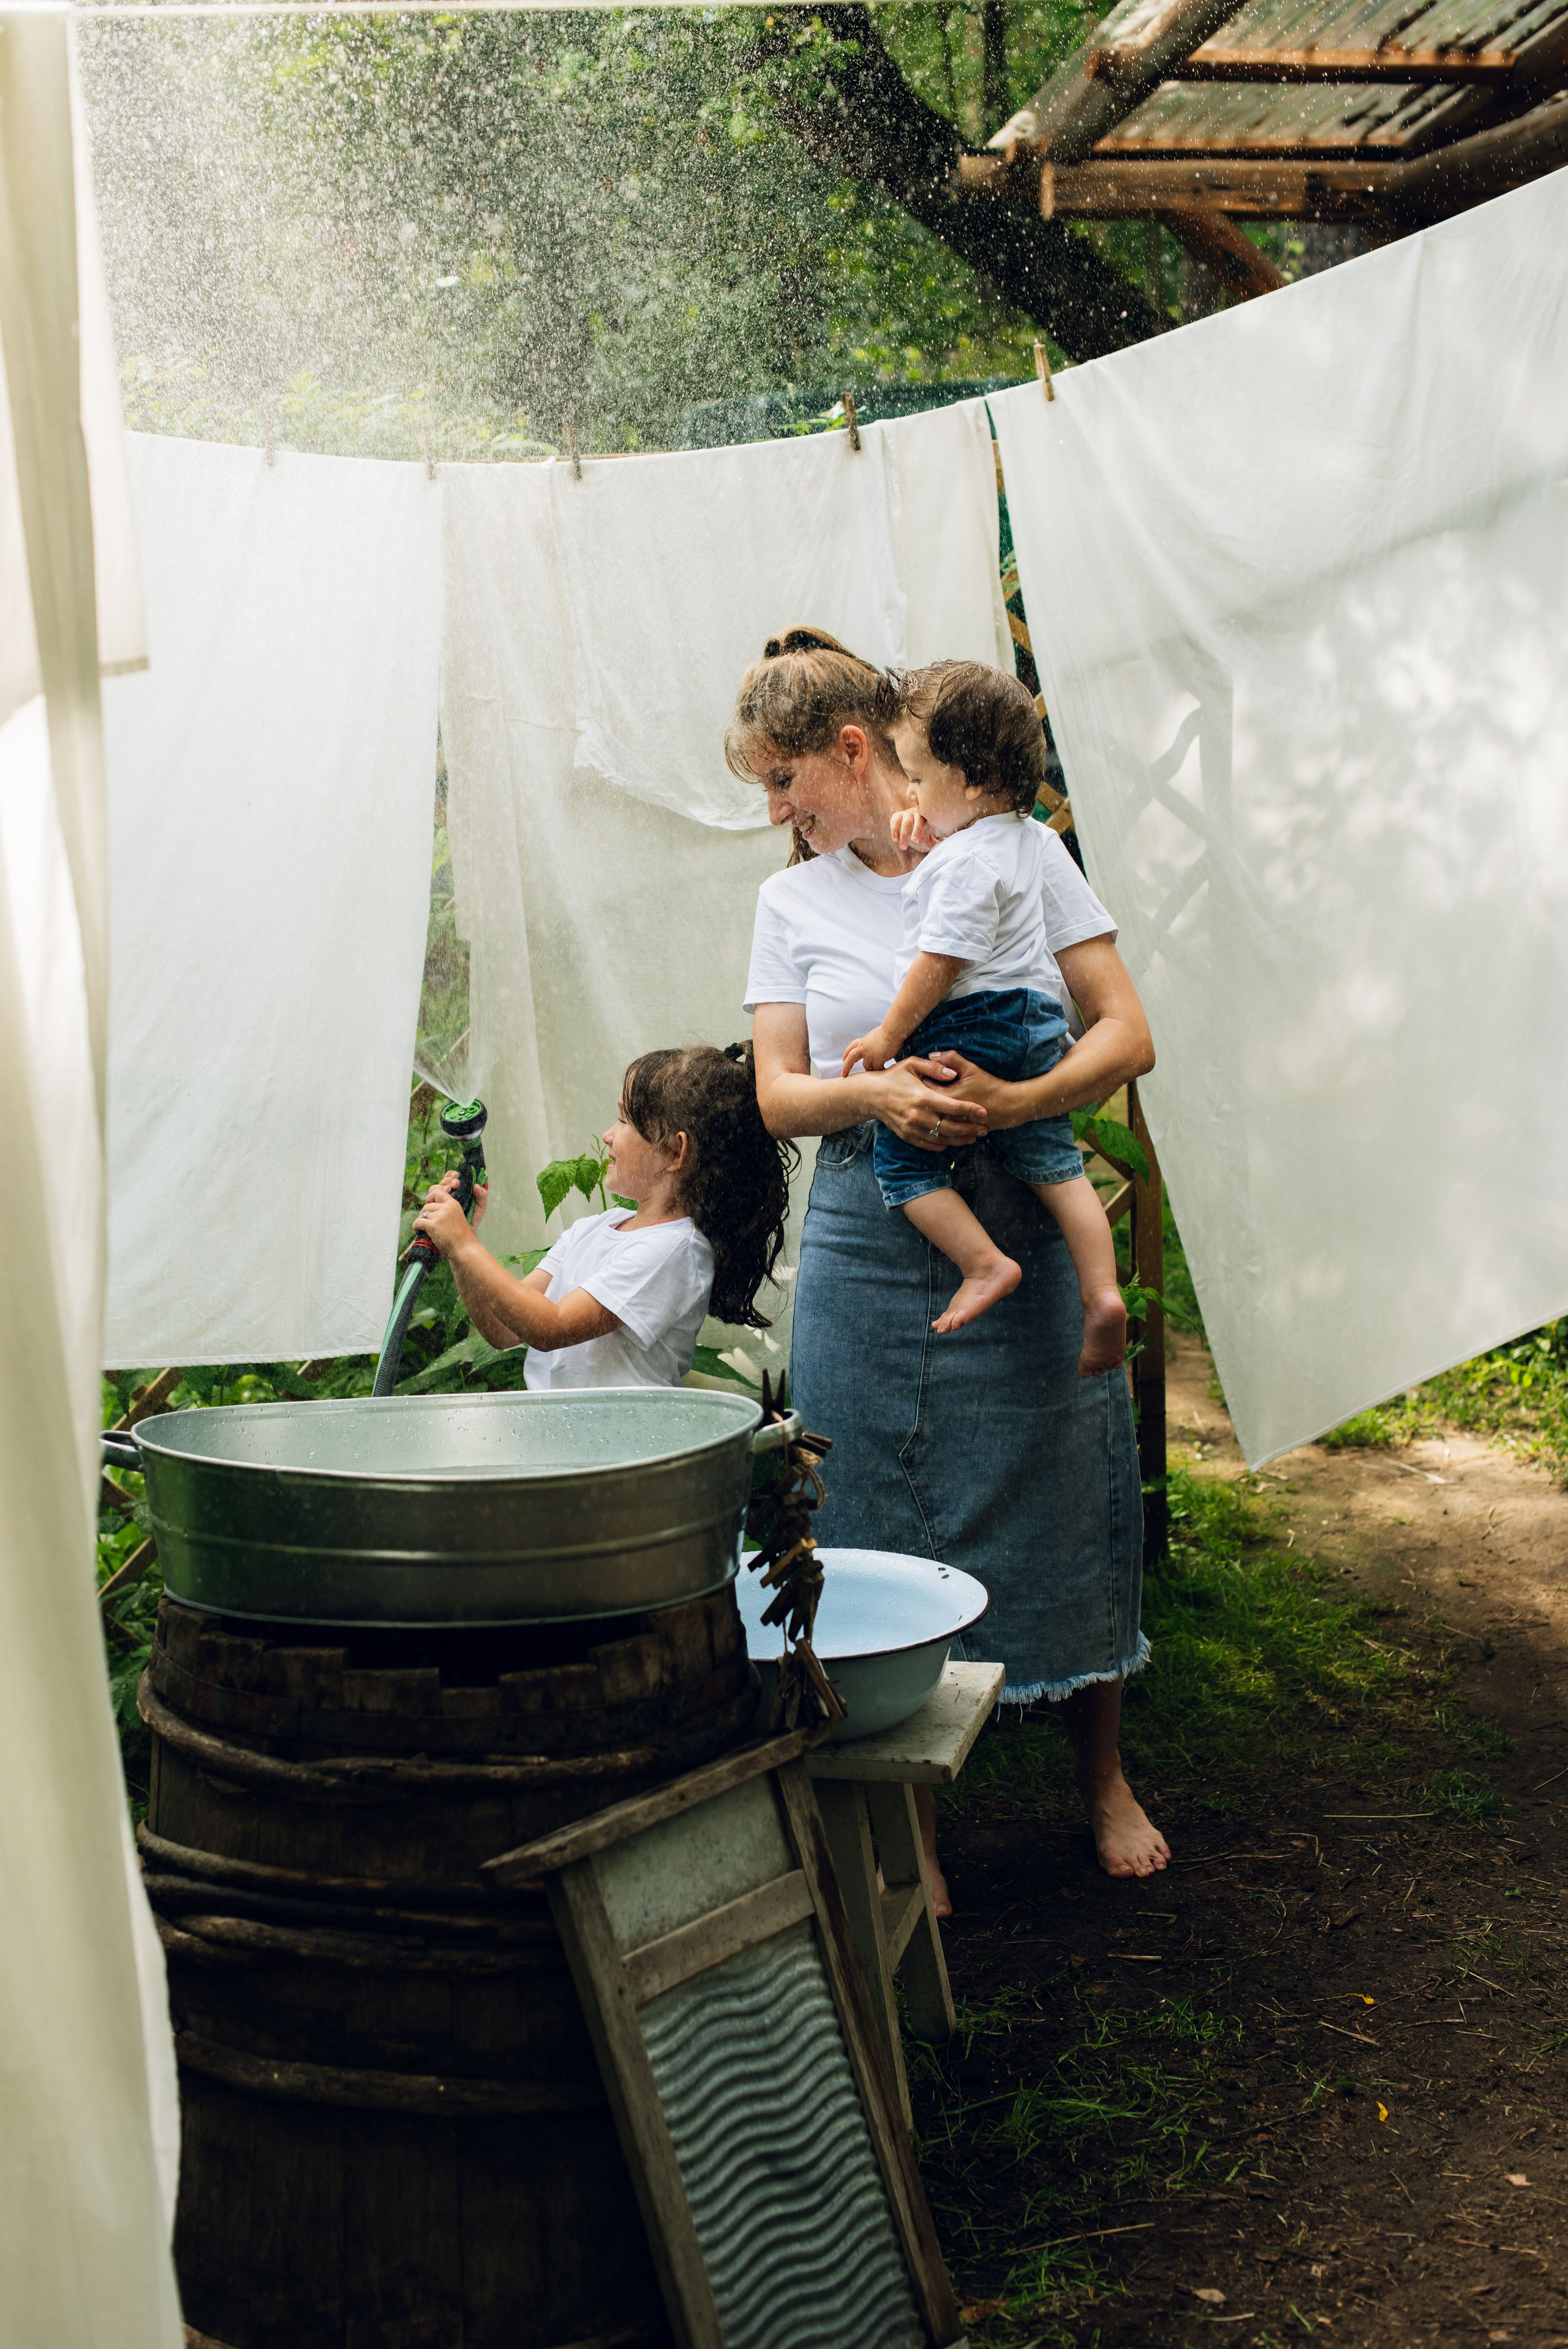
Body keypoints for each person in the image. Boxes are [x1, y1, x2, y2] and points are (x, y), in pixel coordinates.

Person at [729, 626, 1169, 1897]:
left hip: (1018, 1214)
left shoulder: (1017, 852)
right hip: (870, 1232)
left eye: (783, 782)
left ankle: (1101, 1776)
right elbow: (777, 1095)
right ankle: (910, 1823)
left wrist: (1016, 1101)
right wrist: (880, 1099)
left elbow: (1124, 1034)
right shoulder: (789, 902)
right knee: (866, 1507)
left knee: (1069, 1478)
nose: (776, 812)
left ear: (849, 749)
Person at [841, 660, 1126, 1373]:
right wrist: (932, 845)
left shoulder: (966, 862)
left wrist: (888, 1035)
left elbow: (941, 960)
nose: (908, 792)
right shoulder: (1025, 839)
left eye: (915, 775)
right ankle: (1102, 1294)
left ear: (968, 779)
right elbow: (988, 891)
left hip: (975, 1019)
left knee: (901, 1158)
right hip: (1035, 1026)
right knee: (1057, 1166)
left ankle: (982, 1263)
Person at [413, 1043, 794, 1387]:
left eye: (625, 1120)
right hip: (565, 1438)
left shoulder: (675, 1251)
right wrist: (461, 1243)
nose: (609, 1135)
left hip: (620, 1440)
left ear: (676, 1152)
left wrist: (464, 1246)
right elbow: (503, 1330)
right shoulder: (591, 1230)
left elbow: (551, 1328)